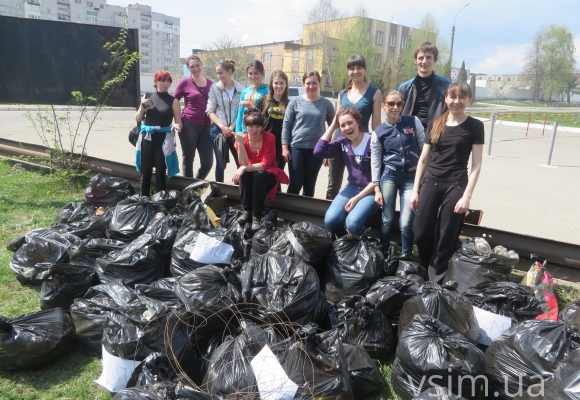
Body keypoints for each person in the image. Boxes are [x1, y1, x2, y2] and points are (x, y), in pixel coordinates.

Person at [409, 81, 484, 283]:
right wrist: (415, 190)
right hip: (431, 180)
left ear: (469, 99)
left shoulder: (475, 126)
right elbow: (423, 159)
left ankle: (436, 281)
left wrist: (467, 196)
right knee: (421, 233)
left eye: (461, 97)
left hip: (456, 183)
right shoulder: (435, 123)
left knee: (446, 235)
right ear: (446, 98)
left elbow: (477, 165)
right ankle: (426, 267)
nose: (456, 101)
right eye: (452, 96)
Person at [371, 90, 425, 258]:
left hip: (410, 177)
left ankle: (406, 255)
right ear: (383, 106)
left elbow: (424, 148)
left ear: (402, 105)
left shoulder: (413, 122)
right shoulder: (379, 132)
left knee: (406, 222)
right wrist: (376, 188)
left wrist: (422, 177)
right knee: (386, 218)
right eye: (391, 104)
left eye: (399, 104)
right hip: (390, 176)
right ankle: (385, 252)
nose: (395, 107)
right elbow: (375, 161)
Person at [314, 108, 379, 237]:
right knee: (331, 221)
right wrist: (333, 126)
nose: (347, 127)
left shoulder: (374, 140)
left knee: (353, 222)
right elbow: (318, 151)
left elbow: (381, 177)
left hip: (373, 189)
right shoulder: (342, 142)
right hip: (352, 188)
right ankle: (349, 243)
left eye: (350, 123)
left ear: (358, 122)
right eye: (342, 125)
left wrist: (357, 198)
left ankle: (369, 247)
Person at [326, 54, 382, 200]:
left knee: (362, 181)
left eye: (359, 68)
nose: (355, 71)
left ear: (365, 70)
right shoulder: (342, 94)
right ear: (348, 71)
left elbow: (376, 124)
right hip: (340, 142)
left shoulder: (374, 92)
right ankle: (328, 218)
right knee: (333, 183)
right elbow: (337, 122)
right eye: (352, 68)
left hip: (361, 144)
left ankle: (357, 214)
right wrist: (330, 146)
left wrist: (381, 145)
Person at [233, 108, 289, 230]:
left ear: (262, 127)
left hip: (268, 175)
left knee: (257, 174)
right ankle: (247, 211)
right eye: (251, 126)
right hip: (252, 175)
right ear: (246, 126)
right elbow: (244, 162)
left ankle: (257, 215)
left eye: (257, 126)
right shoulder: (241, 140)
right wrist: (241, 144)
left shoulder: (269, 137)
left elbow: (265, 165)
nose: (254, 129)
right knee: (246, 174)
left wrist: (243, 168)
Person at [282, 71, 335, 197]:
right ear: (303, 84)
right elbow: (287, 125)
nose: (311, 86)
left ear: (320, 84)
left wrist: (328, 150)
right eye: (308, 83)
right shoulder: (295, 102)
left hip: (316, 150)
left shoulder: (326, 104)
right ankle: (288, 213)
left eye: (314, 83)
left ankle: (304, 214)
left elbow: (334, 127)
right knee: (295, 183)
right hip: (297, 148)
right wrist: (284, 147)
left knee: (309, 185)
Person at [135, 71, 182, 196]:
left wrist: (177, 126)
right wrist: (142, 108)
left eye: (168, 81)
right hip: (147, 139)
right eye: (162, 80)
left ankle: (159, 203)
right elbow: (138, 119)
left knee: (161, 172)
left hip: (163, 140)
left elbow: (178, 122)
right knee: (145, 173)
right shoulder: (148, 96)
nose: (166, 84)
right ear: (155, 82)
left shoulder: (173, 101)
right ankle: (143, 202)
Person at [174, 55, 213, 179]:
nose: (195, 68)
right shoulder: (185, 82)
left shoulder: (211, 83)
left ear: (202, 65)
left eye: (197, 65)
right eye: (192, 66)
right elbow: (175, 101)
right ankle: (188, 189)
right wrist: (178, 121)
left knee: (207, 163)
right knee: (188, 158)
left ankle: (196, 184)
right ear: (188, 68)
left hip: (206, 127)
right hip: (189, 125)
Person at [206, 59, 245, 182]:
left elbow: (241, 111)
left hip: (235, 130)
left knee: (240, 161)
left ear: (229, 72)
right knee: (220, 162)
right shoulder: (214, 88)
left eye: (221, 73)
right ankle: (219, 191)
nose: (219, 76)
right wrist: (222, 127)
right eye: (217, 73)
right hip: (218, 129)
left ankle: (241, 189)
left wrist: (232, 127)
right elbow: (210, 111)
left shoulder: (241, 89)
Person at [398, 42, 451, 129]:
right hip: (410, 135)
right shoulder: (404, 88)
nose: (424, 61)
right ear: (415, 60)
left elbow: (452, 112)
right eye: (421, 58)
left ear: (435, 60)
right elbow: (397, 113)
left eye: (429, 57)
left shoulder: (446, 86)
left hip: (436, 135)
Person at [256, 70, 289, 171]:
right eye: (276, 83)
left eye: (281, 83)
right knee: (263, 173)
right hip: (265, 144)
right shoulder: (263, 101)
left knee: (276, 175)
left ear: (286, 85)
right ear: (271, 84)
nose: (279, 86)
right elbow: (256, 123)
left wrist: (286, 148)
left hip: (280, 146)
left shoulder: (290, 104)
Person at [235, 60, 268, 134]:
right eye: (250, 73)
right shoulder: (245, 91)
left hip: (259, 131)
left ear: (262, 73)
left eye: (256, 73)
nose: (253, 76)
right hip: (245, 131)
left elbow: (266, 114)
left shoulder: (268, 90)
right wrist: (237, 132)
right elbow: (240, 113)